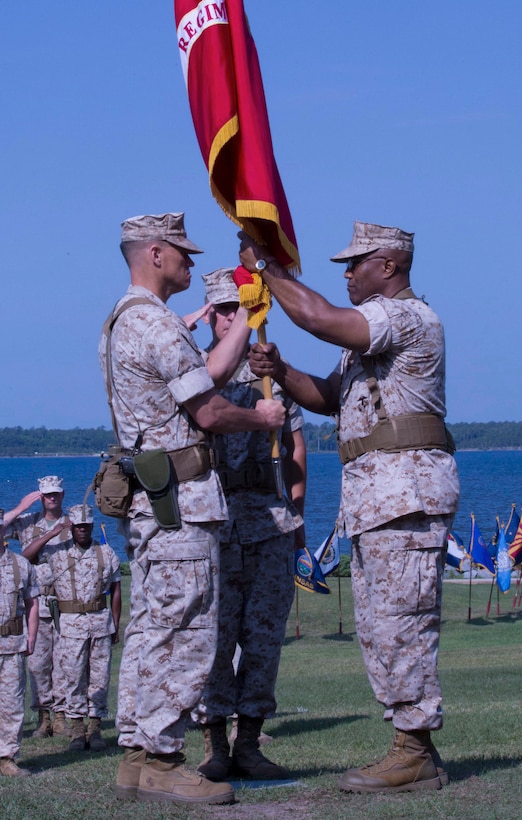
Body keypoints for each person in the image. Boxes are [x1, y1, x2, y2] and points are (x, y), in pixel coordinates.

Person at [239, 221, 460, 794]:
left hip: (405, 497)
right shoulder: (370, 340)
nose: (346, 274)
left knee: (402, 623)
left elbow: (317, 316)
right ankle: (409, 747)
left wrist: (268, 269)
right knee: (379, 627)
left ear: (388, 265)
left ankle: (415, 750)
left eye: (355, 264)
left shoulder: (406, 317)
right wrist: (281, 372)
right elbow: (331, 399)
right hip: (376, 500)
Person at [99, 212, 286, 806]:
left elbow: (203, 375)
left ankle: (137, 755)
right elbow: (207, 409)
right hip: (180, 501)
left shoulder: (124, 319)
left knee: (157, 625)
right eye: (181, 251)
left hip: (160, 503)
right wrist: (261, 418)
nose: (189, 260)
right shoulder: (154, 322)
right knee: (185, 630)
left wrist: (249, 317)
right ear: (154, 253)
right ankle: (163, 759)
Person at [196, 269, 306, 781]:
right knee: (215, 640)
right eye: (218, 309)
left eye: (235, 308)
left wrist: (298, 510)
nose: (226, 318)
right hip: (217, 524)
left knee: (263, 638)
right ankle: (215, 744)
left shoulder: (269, 371)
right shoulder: (196, 373)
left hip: (269, 519)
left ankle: (251, 743)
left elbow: (298, 449)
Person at [42, 504, 121, 752]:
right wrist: (55, 531)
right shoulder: (57, 554)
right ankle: (77, 727)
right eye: (78, 527)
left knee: (99, 677)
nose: (82, 530)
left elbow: (116, 590)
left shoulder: (106, 553)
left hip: (100, 622)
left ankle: (95, 727)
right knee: (73, 676)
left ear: (92, 526)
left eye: (86, 526)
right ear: (72, 528)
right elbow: (27, 557)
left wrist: (116, 625)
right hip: (71, 626)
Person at [7, 476, 72, 739]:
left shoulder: (73, 524)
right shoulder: (27, 523)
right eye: (47, 495)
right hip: (37, 604)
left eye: (56, 494)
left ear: (62, 494)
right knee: (38, 665)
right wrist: (20, 508)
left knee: (65, 663)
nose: (52, 498)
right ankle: (44, 717)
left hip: (66, 604)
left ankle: (63, 716)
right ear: (41, 496)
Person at [0, 505, 39, 777]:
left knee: (12, 703)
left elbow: (32, 603)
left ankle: (6, 758)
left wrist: (32, 636)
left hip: (13, 643)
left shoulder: (20, 564)